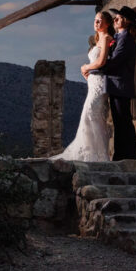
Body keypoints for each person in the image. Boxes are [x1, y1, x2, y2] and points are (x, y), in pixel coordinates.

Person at [50, 11, 114, 162]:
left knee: (91, 112)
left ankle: (98, 155)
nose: (96, 23)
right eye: (95, 20)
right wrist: (88, 72)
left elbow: (101, 62)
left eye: (100, 21)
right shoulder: (97, 39)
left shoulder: (106, 38)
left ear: (107, 23)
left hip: (99, 82)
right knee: (89, 114)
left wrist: (85, 67)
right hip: (92, 82)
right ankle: (90, 152)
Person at [105, 6, 136, 160]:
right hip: (115, 85)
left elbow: (115, 61)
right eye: (115, 17)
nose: (115, 20)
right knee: (119, 121)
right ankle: (121, 154)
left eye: (118, 18)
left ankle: (126, 155)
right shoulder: (118, 38)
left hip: (120, 85)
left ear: (127, 21)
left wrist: (96, 68)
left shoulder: (125, 39)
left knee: (123, 121)